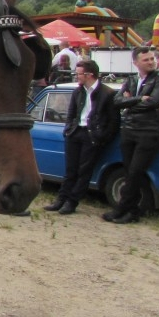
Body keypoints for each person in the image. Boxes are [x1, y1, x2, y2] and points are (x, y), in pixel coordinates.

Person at [101, 47, 159, 224]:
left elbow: (154, 102)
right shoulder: (131, 80)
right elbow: (116, 102)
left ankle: (122, 209)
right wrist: (140, 99)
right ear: (136, 62)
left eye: (152, 59)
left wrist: (130, 103)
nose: (151, 62)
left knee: (135, 172)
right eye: (146, 59)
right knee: (128, 171)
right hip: (129, 130)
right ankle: (131, 210)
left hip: (149, 131)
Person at [42, 59, 119, 215]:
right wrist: (68, 129)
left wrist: (101, 137)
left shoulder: (108, 94)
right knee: (70, 169)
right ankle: (61, 199)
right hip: (75, 132)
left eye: (79, 74)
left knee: (84, 171)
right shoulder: (78, 91)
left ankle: (72, 201)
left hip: (92, 135)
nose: (76, 76)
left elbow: (113, 121)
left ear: (89, 75)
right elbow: (71, 113)